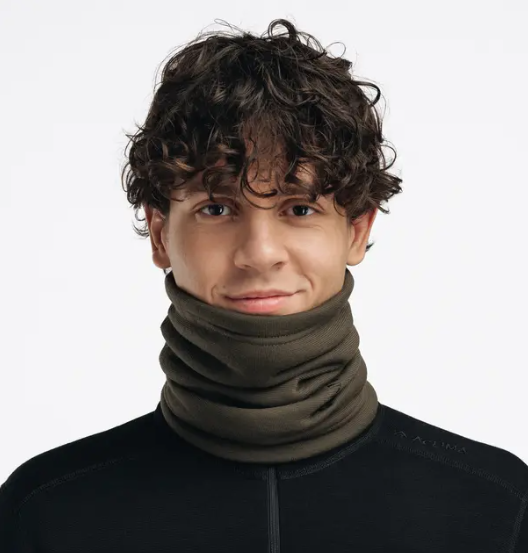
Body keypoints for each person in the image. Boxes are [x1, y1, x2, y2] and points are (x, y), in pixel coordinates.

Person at [1, 18, 527, 553]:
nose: (259, 252)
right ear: (160, 234)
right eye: (216, 208)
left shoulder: (497, 508)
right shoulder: (45, 514)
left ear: (357, 231)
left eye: (299, 208)